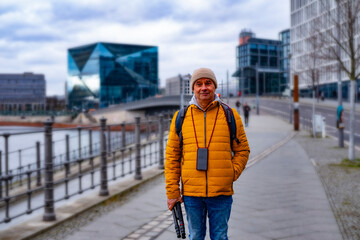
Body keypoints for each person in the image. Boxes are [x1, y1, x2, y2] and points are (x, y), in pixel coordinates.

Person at [165, 67, 250, 240]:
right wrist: (173, 192)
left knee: (220, 236)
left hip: (221, 193)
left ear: (214, 87)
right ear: (193, 88)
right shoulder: (181, 117)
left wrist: (231, 173)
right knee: (195, 236)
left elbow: (243, 150)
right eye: (199, 84)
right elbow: (172, 157)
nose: (204, 87)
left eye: (208, 83)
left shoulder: (229, 115)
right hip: (191, 194)